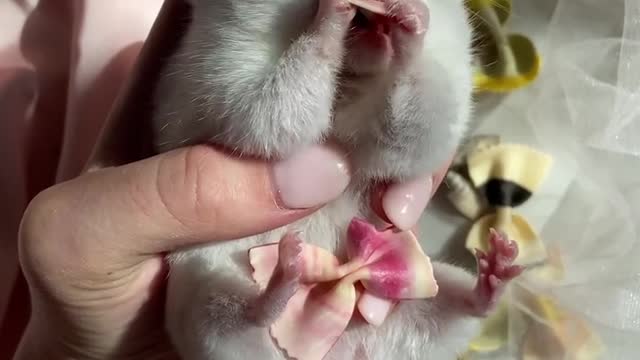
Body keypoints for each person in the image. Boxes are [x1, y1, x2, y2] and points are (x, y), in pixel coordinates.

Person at [1, 1, 453, 358]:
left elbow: (408, 145)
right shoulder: (231, 39)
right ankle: (260, 309)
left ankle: (471, 301)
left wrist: (408, 61)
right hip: (230, 259)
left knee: (426, 301)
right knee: (208, 296)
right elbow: (273, 130)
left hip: (349, 280)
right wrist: (321, 38)